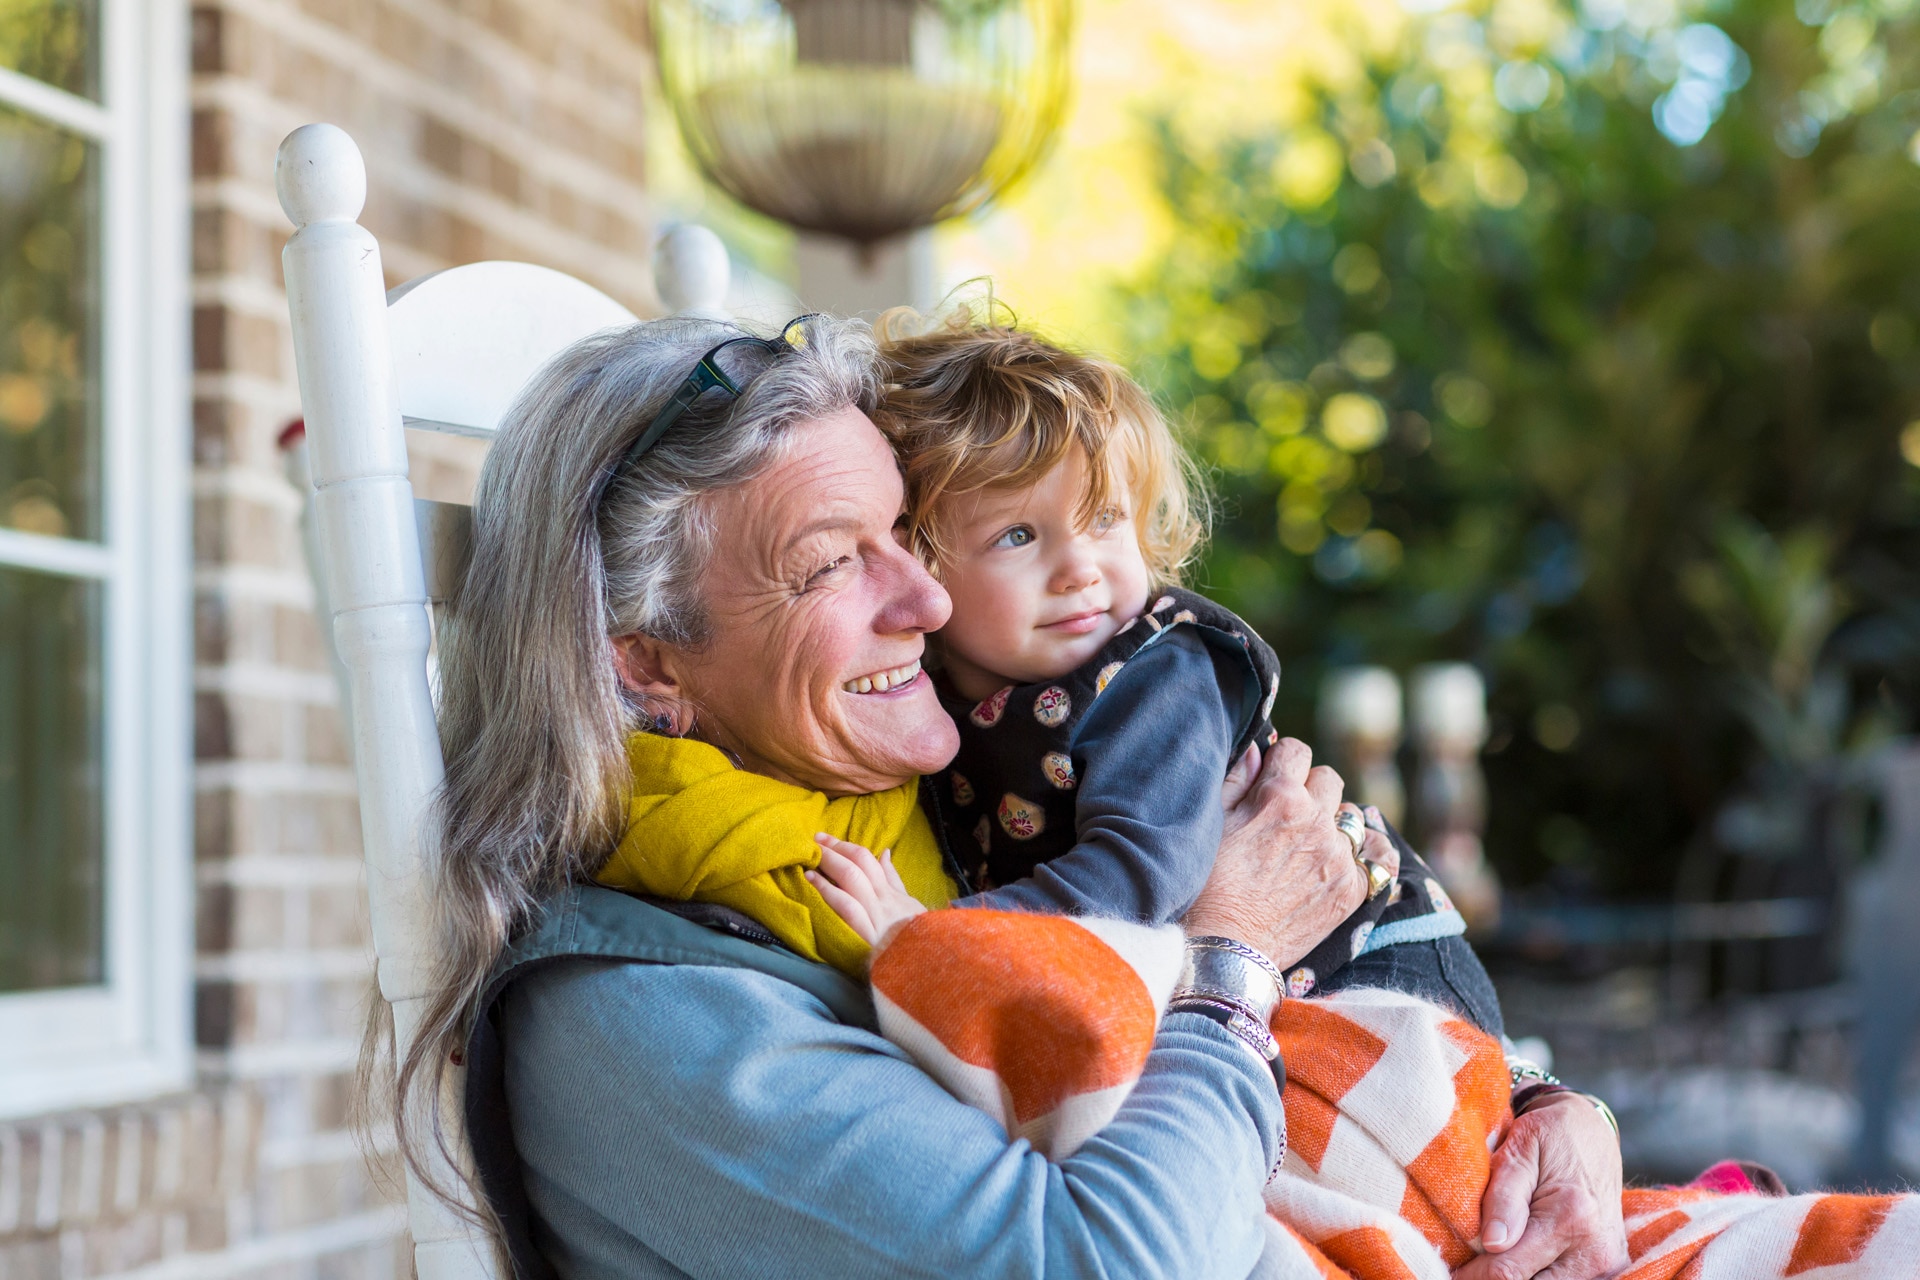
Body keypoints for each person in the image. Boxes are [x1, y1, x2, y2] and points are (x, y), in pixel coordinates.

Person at [394, 312, 1625, 1279]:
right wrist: (1233, 956)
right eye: (832, 562)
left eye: (908, 538)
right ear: (646, 661)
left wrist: (1535, 1110)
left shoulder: (921, 825)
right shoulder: (645, 1014)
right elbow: (1107, 1260)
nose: (926, 603)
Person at [807, 319, 1462, 1008]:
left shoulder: (1155, 674)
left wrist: (930, 937)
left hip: (1379, 963)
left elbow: (1139, 876)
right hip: (1251, 980)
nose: (1080, 571)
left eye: (1105, 518)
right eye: (1018, 535)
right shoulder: (924, 698)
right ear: (921, 560)